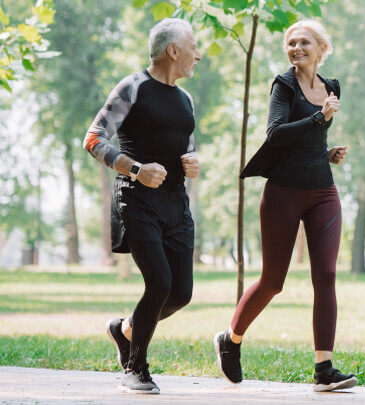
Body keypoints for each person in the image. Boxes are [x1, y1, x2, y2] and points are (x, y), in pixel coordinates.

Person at [213, 19, 355, 392]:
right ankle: (231, 339)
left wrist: (326, 152)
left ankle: (324, 369)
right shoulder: (283, 85)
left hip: (322, 190)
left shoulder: (331, 87)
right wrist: (318, 118)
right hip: (283, 194)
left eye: (304, 42)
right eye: (291, 43)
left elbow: (306, 142)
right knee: (273, 282)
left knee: (325, 276)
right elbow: (275, 135)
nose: (296, 48)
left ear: (321, 47)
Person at [83, 18, 202, 394]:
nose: (198, 55)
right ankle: (135, 367)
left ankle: (125, 330)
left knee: (181, 293)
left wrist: (193, 161)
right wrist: (135, 169)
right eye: (193, 48)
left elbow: (187, 145)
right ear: (173, 51)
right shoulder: (132, 87)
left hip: (176, 203)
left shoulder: (186, 99)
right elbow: (93, 138)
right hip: (136, 200)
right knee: (160, 283)